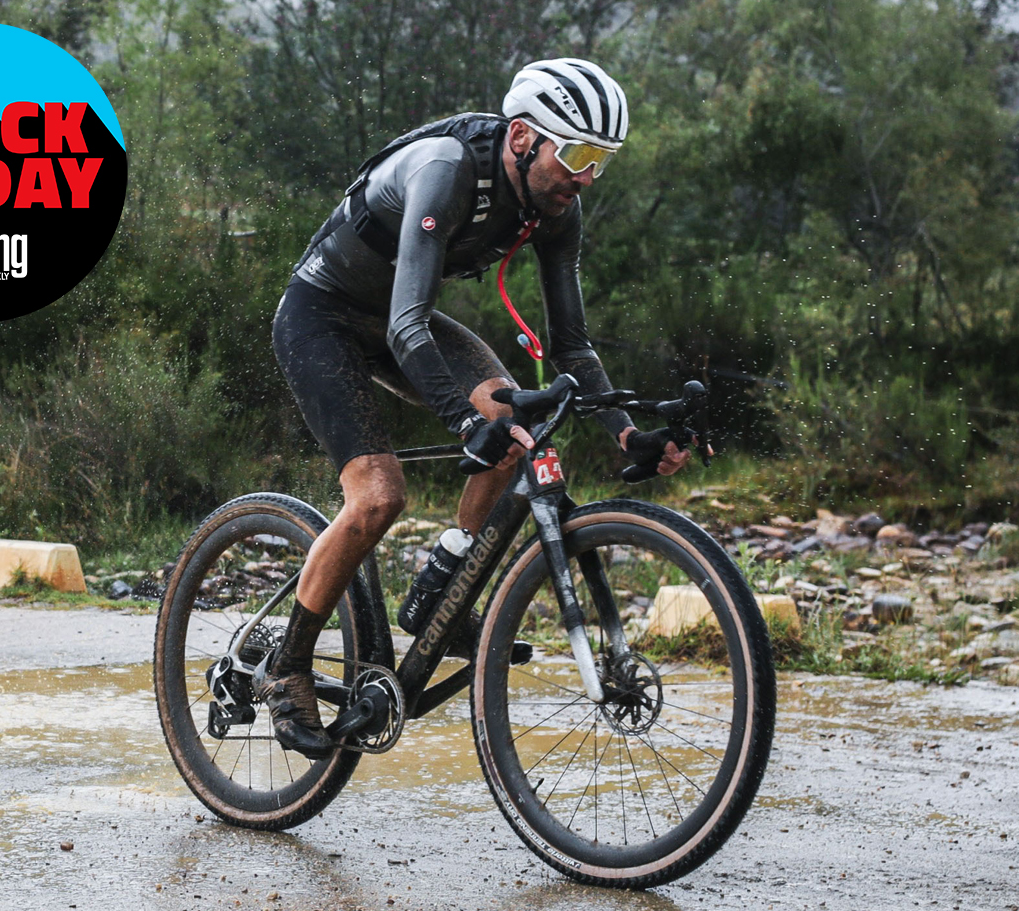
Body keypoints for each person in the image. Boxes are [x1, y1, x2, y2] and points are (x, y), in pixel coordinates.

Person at [265, 58, 697, 758]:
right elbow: (407, 325)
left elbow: (572, 345)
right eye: (577, 155)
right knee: (378, 495)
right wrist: (467, 423)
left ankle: (442, 591)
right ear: (523, 137)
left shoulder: (556, 207)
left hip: (400, 319)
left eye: (601, 160)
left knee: (517, 431)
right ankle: (287, 666)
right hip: (324, 316)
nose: (587, 176)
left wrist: (625, 433)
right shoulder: (446, 169)